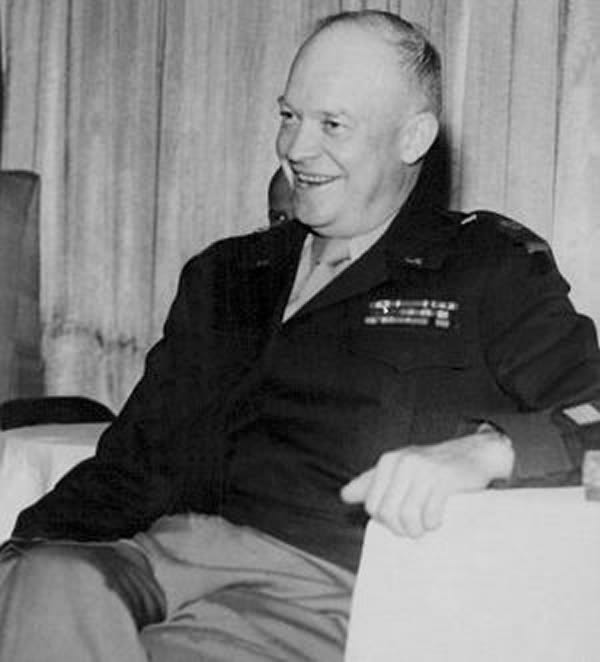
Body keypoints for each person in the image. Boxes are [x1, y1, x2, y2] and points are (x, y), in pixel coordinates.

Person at [1, 9, 599, 661]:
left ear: (413, 137)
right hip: (159, 556)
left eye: (332, 125)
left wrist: (488, 452)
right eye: (289, 116)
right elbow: (133, 462)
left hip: (318, 588)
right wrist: (21, 552)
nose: (296, 148)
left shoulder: (485, 267)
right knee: (44, 579)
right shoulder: (227, 272)